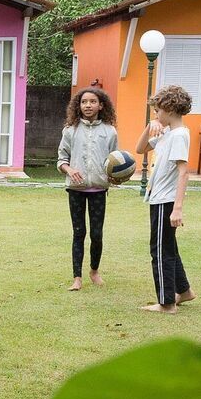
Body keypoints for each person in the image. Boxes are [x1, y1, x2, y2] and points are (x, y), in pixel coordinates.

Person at [134, 85, 195, 313]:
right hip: (158, 199)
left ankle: (167, 303)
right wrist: (150, 127)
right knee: (169, 247)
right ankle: (185, 291)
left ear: (169, 109)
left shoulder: (179, 136)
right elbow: (140, 149)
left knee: (160, 251)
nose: (156, 115)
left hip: (165, 202)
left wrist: (177, 208)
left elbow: (183, 172)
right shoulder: (167, 133)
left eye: (157, 111)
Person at [56, 87, 119, 291]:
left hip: (99, 190)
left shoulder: (110, 131)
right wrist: (69, 169)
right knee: (78, 232)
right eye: (84, 102)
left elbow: (115, 161)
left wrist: (115, 176)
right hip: (75, 189)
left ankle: (94, 271)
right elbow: (61, 159)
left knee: (97, 233)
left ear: (101, 105)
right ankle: (77, 278)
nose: (88, 105)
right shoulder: (70, 130)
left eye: (92, 102)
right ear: (78, 106)